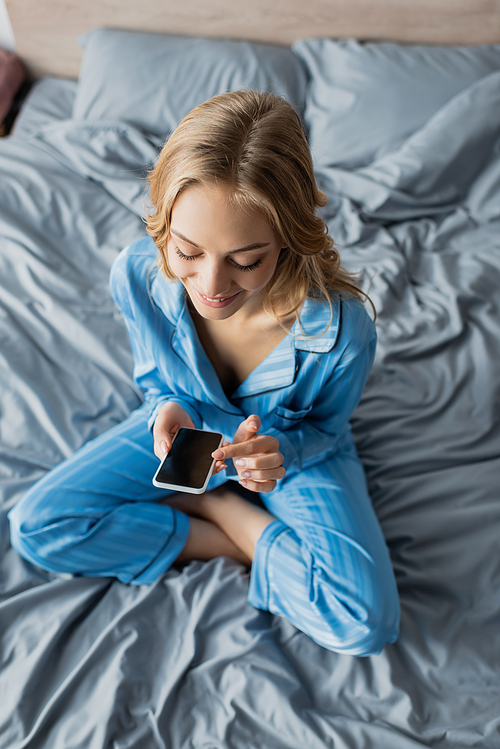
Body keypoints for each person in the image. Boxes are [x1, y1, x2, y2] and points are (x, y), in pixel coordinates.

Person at [9, 90, 399, 655]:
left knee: (363, 623)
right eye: (187, 252)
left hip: (288, 452)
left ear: (287, 237)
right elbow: (158, 381)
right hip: (193, 439)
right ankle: (238, 532)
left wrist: (278, 453)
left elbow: (326, 429)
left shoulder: (342, 333)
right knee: (38, 528)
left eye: (245, 261)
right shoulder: (140, 274)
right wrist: (170, 408)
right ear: (164, 223)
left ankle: (217, 509)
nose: (211, 287)